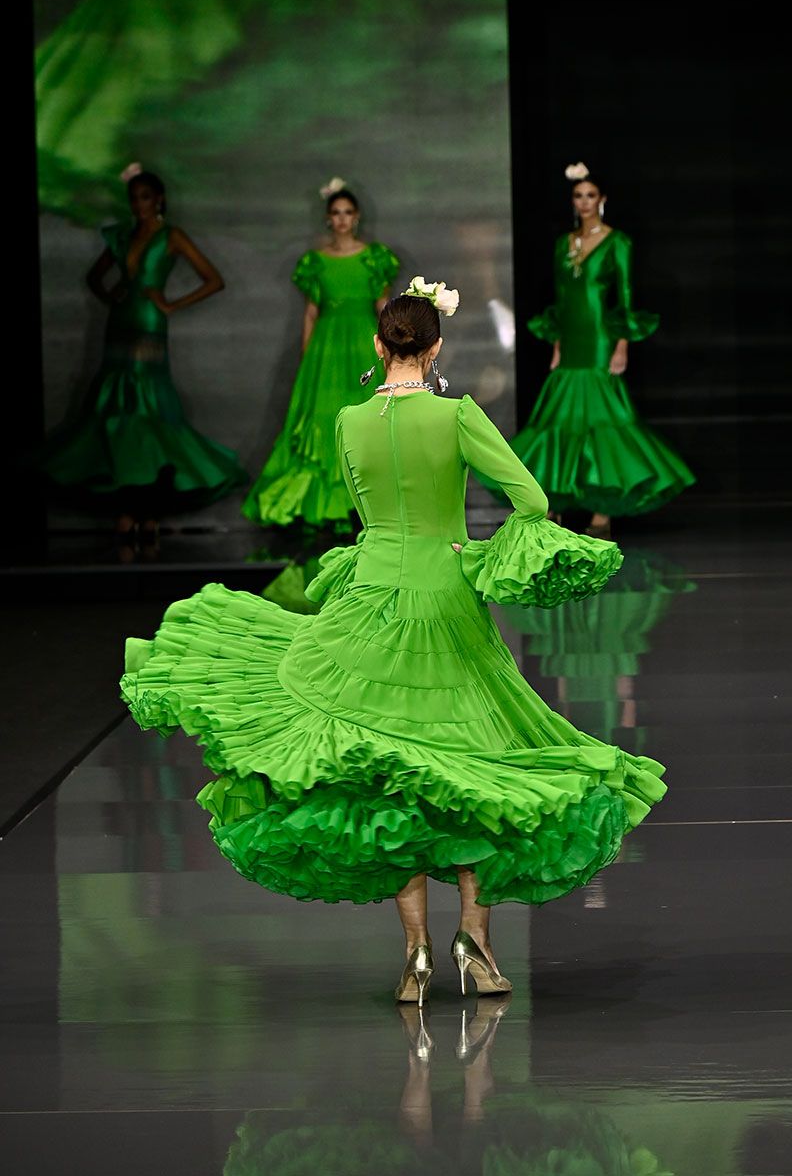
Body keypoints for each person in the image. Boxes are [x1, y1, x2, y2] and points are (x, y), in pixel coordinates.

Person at [121, 278, 666, 1004]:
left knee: (389, 768)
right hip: (445, 602)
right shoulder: (457, 414)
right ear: (434, 349)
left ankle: (415, 954)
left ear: (379, 346)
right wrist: (477, 553)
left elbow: (364, 513)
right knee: (472, 764)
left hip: (370, 598)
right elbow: (532, 500)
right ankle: (476, 944)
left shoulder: (351, 420)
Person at [41, 163, 247, 539]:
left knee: (146, 410)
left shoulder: (171, 235)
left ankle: (147, 507)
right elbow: (94, 278)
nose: (139, 204)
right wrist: (113, 296)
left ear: (159, 199)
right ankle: (132, 507)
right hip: (120, 324)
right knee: (118, 411)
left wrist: (170, 304)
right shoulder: (123, 235)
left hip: (150, 324)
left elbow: (213, 279)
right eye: (134, 198)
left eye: (145, 197)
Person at [508, 163, 694, 534]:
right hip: (571, 340)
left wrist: (622, 344)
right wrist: (557, 343)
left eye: (590, 195)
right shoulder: (564, 243)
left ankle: (602, 511)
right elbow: (561, 297)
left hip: (599, 340)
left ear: (602, 199)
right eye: (578, 196)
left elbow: (624, 296)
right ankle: (553, 504)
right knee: (561, 421)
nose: (584, 202)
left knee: (601, 421)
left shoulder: (617, 242)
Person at [242, 179, 399, 531]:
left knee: (366, 413)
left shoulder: (374, 258)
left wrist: (392, 347)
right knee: (325, 419)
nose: (342, 219)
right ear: (328, 218)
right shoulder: (316, 261)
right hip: (325, 350)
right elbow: (311, 313)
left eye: (347, 212)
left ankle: (366, 504)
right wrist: (307, 358)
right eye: (336, 213)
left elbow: (383, 306)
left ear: (356, 216)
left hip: (363, 342)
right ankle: (329, 506)